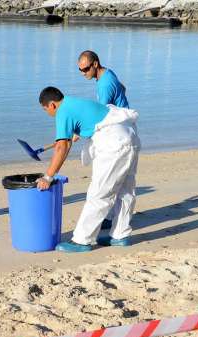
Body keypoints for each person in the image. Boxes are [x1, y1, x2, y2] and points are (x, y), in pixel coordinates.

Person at [36, 87, 140, 252]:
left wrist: (48, 177)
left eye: (45, 109)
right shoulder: (73, 102)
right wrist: (74, 134)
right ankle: (120, 235)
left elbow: (62, 147)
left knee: (99, 194)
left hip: (113, 144)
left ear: (52, 105)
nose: (48, 113)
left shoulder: (62, 111)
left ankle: (82, 241)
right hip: (129, 136)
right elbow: (74, 134)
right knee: (125, 190)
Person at [77, 50, 130, 230]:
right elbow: (123, 87)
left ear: (95, 64)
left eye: (85, 69)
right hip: (124, 125)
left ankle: (110, 220)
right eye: (80, 70)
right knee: (120, 181)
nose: (83, 73)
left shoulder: (104, 85)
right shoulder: (108, 73)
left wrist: (80, 132)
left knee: (109, 180)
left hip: (118, 131)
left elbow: (100, 116)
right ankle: (115, 218)